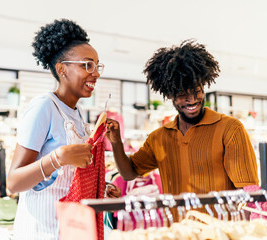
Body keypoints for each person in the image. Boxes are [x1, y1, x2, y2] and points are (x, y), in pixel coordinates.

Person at [106, 39, 259, 197]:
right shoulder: (159, 138)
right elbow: (129, 173)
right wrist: (116, 142)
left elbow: (249, 190)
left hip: (222, 221)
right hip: (179, 222)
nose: (192, 100)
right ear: (170, 95)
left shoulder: (230, 129)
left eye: (196, 91)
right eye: (182, 94)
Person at [7, 19, 108, 240]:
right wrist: (58, 158)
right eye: (87, 65)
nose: (96, 73)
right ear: (62, 69)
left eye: (97, 66)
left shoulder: (77, 114)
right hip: (41, 230)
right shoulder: (44, 106)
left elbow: (71, 175)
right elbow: (13, 182)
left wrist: (103, 187)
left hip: (70, 228)